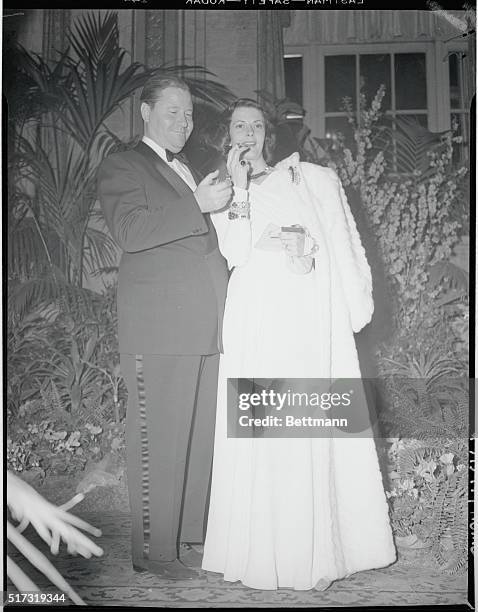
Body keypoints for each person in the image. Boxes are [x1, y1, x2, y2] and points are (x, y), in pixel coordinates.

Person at [202, 99, 397, 590]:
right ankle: (261, 555)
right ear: (227, 134)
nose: (246, 132)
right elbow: (234, 251)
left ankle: (313, 554)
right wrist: (240, 190)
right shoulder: (221, 190)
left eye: (255, 125)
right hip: (254, 320)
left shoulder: (307, 180)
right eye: (237, 124)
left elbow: (327, 251)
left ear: (268, 134)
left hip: (303, 319)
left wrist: (303, 255)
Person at [97, 76, 231, 579]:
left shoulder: (188, 169)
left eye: (190, 114)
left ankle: (189, 541)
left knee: (198, 442)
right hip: (159, 331)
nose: (184, 122)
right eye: (173, 112)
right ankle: (155, 552)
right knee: (159, 443)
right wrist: (197, 205)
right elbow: (130, 231)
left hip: (204, 326)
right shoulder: (124, 165)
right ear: (145, 112)